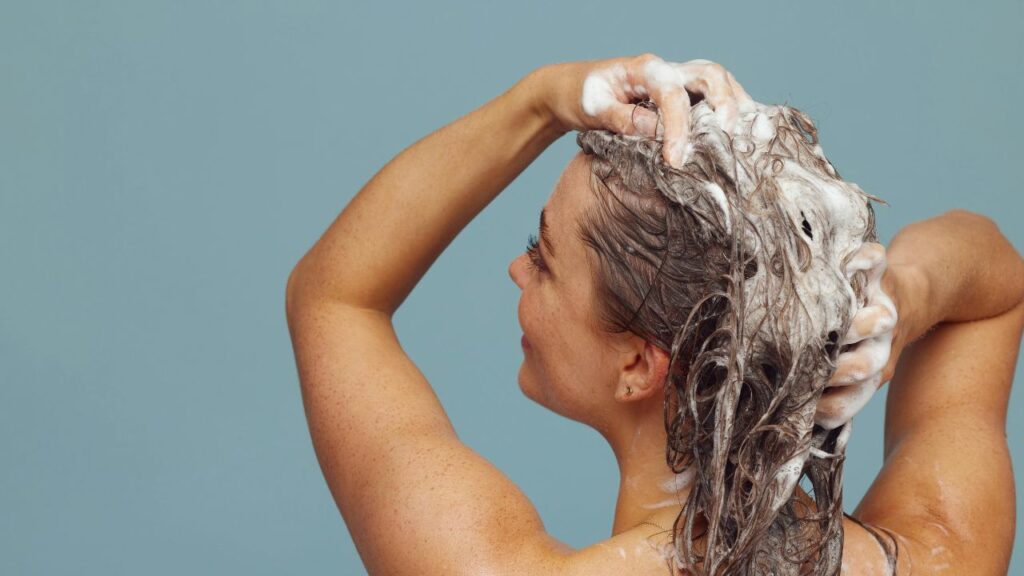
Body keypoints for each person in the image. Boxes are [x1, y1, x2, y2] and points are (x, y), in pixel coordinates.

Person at [285, 54, 1024, 575]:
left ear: (638, 363)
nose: (517, 270)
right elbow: (997, 286)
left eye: (541, 257)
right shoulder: (938, 553)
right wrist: (899, 294)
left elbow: (337, 300)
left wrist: (541, 99)